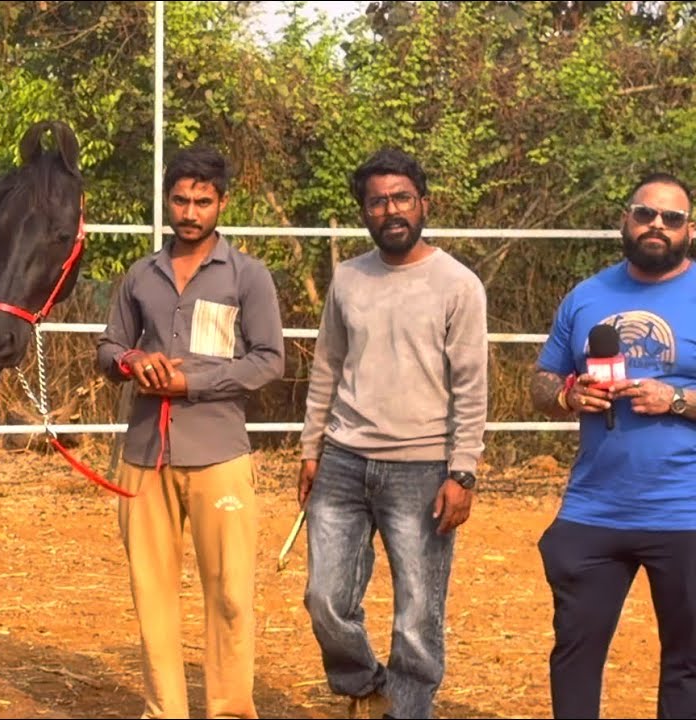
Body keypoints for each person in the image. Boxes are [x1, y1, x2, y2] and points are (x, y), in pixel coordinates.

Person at [95, 145, 286, 719]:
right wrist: (132, 362)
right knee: (152, 594)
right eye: (180, 199)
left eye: (203, 201)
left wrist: (191, 383)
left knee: (229, 595)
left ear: (222, 204)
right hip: (145, 453)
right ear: (168, 202)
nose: (190, 211)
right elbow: (108, 349)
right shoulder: (139, 276)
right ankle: (165, 710)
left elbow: (269, 360)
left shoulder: (247, 277)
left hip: (219, 452)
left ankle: (228, 709)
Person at [297, 148, 489, 719]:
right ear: (365, 212)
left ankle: (406, 709)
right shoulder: (348, 278)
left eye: (402, 197)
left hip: (422, 469)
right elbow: (326, 366)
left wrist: (463, 471)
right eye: (378, 201)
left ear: (423, 203)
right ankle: (363, 681)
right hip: (343, 460)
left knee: (417, 611)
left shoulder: (458, 285)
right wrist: (311, 448)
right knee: (325, 599)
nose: (391, 210)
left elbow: (472, 387)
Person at [529, 171, 696, 719]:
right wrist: (571, 395)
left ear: (689, 230)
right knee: (574, 654)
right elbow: (541, 383)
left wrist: (674, 401)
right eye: (645, 213)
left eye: (672, 218)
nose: (657, 225)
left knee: (688, 664)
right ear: (625, 219)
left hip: (686, 511)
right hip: (594, 509)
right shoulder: (586, 296)